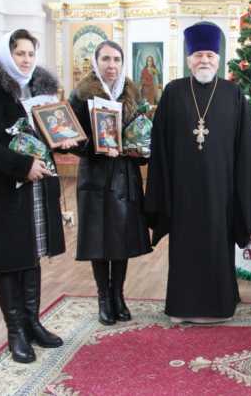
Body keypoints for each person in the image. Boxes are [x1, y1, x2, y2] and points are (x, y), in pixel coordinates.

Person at [145, 23, 251, 323]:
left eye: (210, 55)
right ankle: (182, 306)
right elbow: (160, 144)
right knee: (185, 248)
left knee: (217, 246)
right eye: (199, 55)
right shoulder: (173, 92)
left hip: (221, 191)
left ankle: (220, 306)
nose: (204, 60)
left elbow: (246, 148)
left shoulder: (233, 94)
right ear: (189, 59)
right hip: (183, 190)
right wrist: (163, 189)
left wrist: (242, 191)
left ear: (218, 59)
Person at [0, 29, 77, 363]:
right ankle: (15, 331)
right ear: (5, 54)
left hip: (36, 188)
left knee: (31, 256)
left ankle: (32, 323)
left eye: (31, 54)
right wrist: (21, 166)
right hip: (2, 191)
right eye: (20, 53)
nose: (26, 60)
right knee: (7, 260)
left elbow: (46, 132)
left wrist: (62, 140)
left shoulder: (37, 89)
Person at [69, 40, 152, 326]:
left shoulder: (133, 92)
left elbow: (140, 132)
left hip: (125, 176)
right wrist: (97, 149)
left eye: (116, 59)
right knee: (98, 241)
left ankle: (118, 295)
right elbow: (71, 139)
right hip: (95, 176)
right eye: (105, 59)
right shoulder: (81, 94)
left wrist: (141, 150)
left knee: (121, 240)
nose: (111, 65)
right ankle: (103, 298)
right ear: (96, 62)